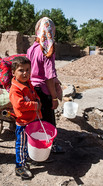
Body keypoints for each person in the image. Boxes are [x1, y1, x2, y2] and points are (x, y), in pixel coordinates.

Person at [26, 17, 63, 152]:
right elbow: (49, 77)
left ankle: (35, 145)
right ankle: (49, 147)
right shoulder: (48, 50)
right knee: (48, 120)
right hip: (44, 90)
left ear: (37, 31)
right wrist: (53, 97)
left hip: (33, 89)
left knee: (37, 119)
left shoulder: (31, 49)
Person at [9, 56, 42, 179]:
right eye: (21, 70)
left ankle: (27, 158)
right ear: (13, 72)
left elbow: (34, 94)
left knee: (29, 143)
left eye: (28, 70)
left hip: (31, 120)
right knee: (21, 145)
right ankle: (19, 167)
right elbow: (20, 105)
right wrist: (35, 105)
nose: (25, 73)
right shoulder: (15, 89)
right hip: (23, 122)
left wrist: (37, 99)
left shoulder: (28, 84)